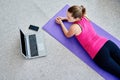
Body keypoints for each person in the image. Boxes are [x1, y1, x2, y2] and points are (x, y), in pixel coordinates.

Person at [55, 5, 120, 78]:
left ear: (76, 18)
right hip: (107, 43)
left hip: (99, 53)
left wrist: (61, 23)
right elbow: (75, 19)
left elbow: (67, 35)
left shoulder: (74, 27)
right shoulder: (84, 16)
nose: (67, 17)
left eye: (69, 17)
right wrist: (65, 18)